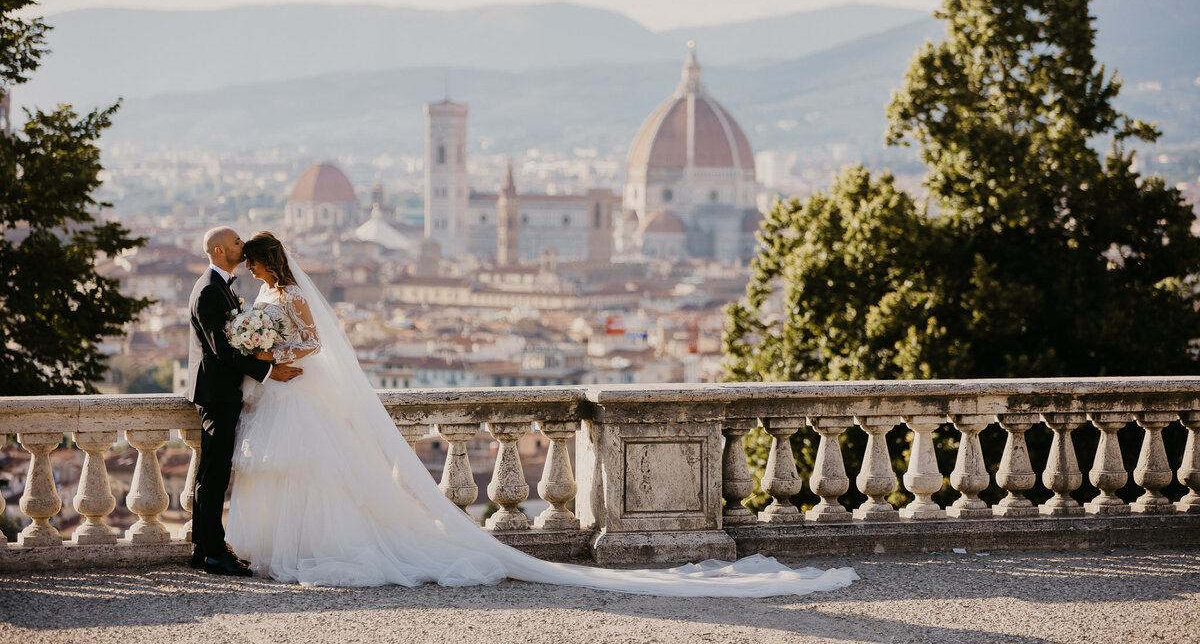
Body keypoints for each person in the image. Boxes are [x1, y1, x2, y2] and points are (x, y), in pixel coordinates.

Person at [224, 231, 859, 597]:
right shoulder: (271, 291)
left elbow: (311, 342)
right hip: (286, 393)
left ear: (265, 261)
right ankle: (293, 550)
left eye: (250, 264)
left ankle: (311, 551)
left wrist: (272, 350)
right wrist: (265, 349)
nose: (247, 272)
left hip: (293, 386)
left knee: (320, 475)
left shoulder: (292, 293)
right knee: (303, 474)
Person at [186, 227, 302, 577]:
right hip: (216, 394)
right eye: (237, 242)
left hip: (219, 392)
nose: (243, 245)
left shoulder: (217, 285)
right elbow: (221, 349)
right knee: (214, 476)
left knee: (211, 475)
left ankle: (204, 549)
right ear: (220, 251)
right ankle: (214, 554)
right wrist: (268, 372)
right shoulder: (209, 290)